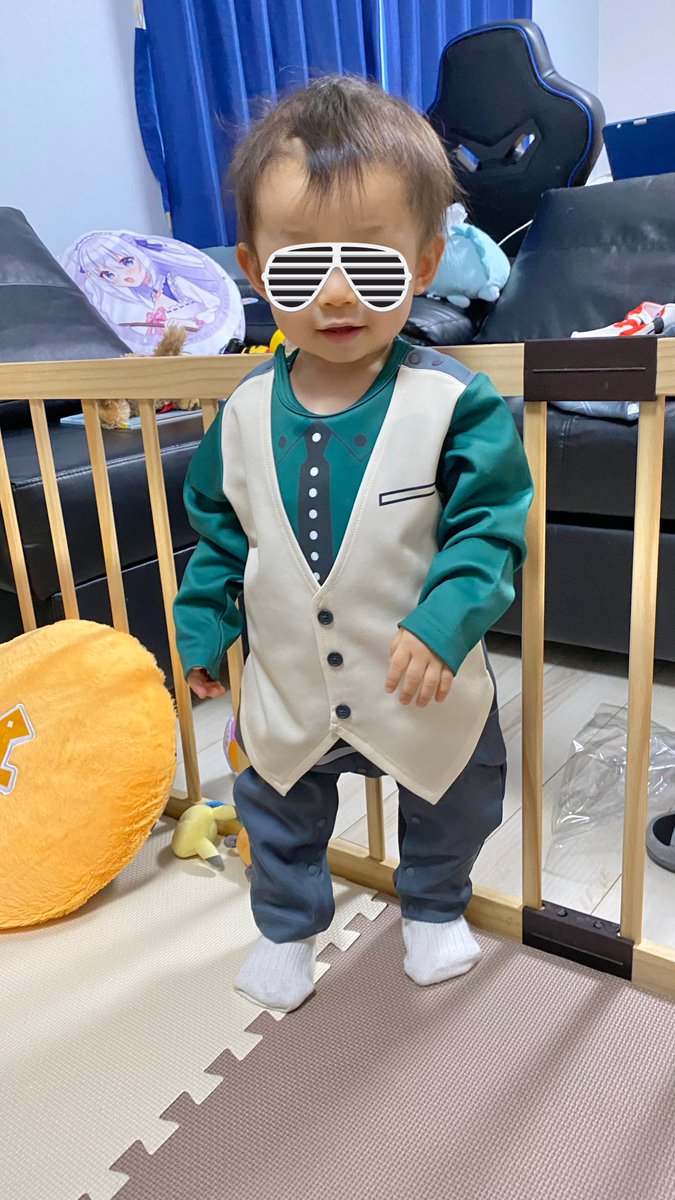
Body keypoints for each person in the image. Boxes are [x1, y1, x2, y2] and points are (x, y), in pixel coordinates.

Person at [173, 75, 534, 1013]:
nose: (335, 294)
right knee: (275, 806)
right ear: (254, 270)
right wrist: (203, 626)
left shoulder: (455, 401)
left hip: (421, 681)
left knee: (454, 795)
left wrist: (447, 619)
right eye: (301, 268)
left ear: (423, 263)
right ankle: (287, 928)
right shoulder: (242, 411)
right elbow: (218, 530)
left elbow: (490, 526)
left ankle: (433, 906)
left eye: (369, 266)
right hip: (291, 681)